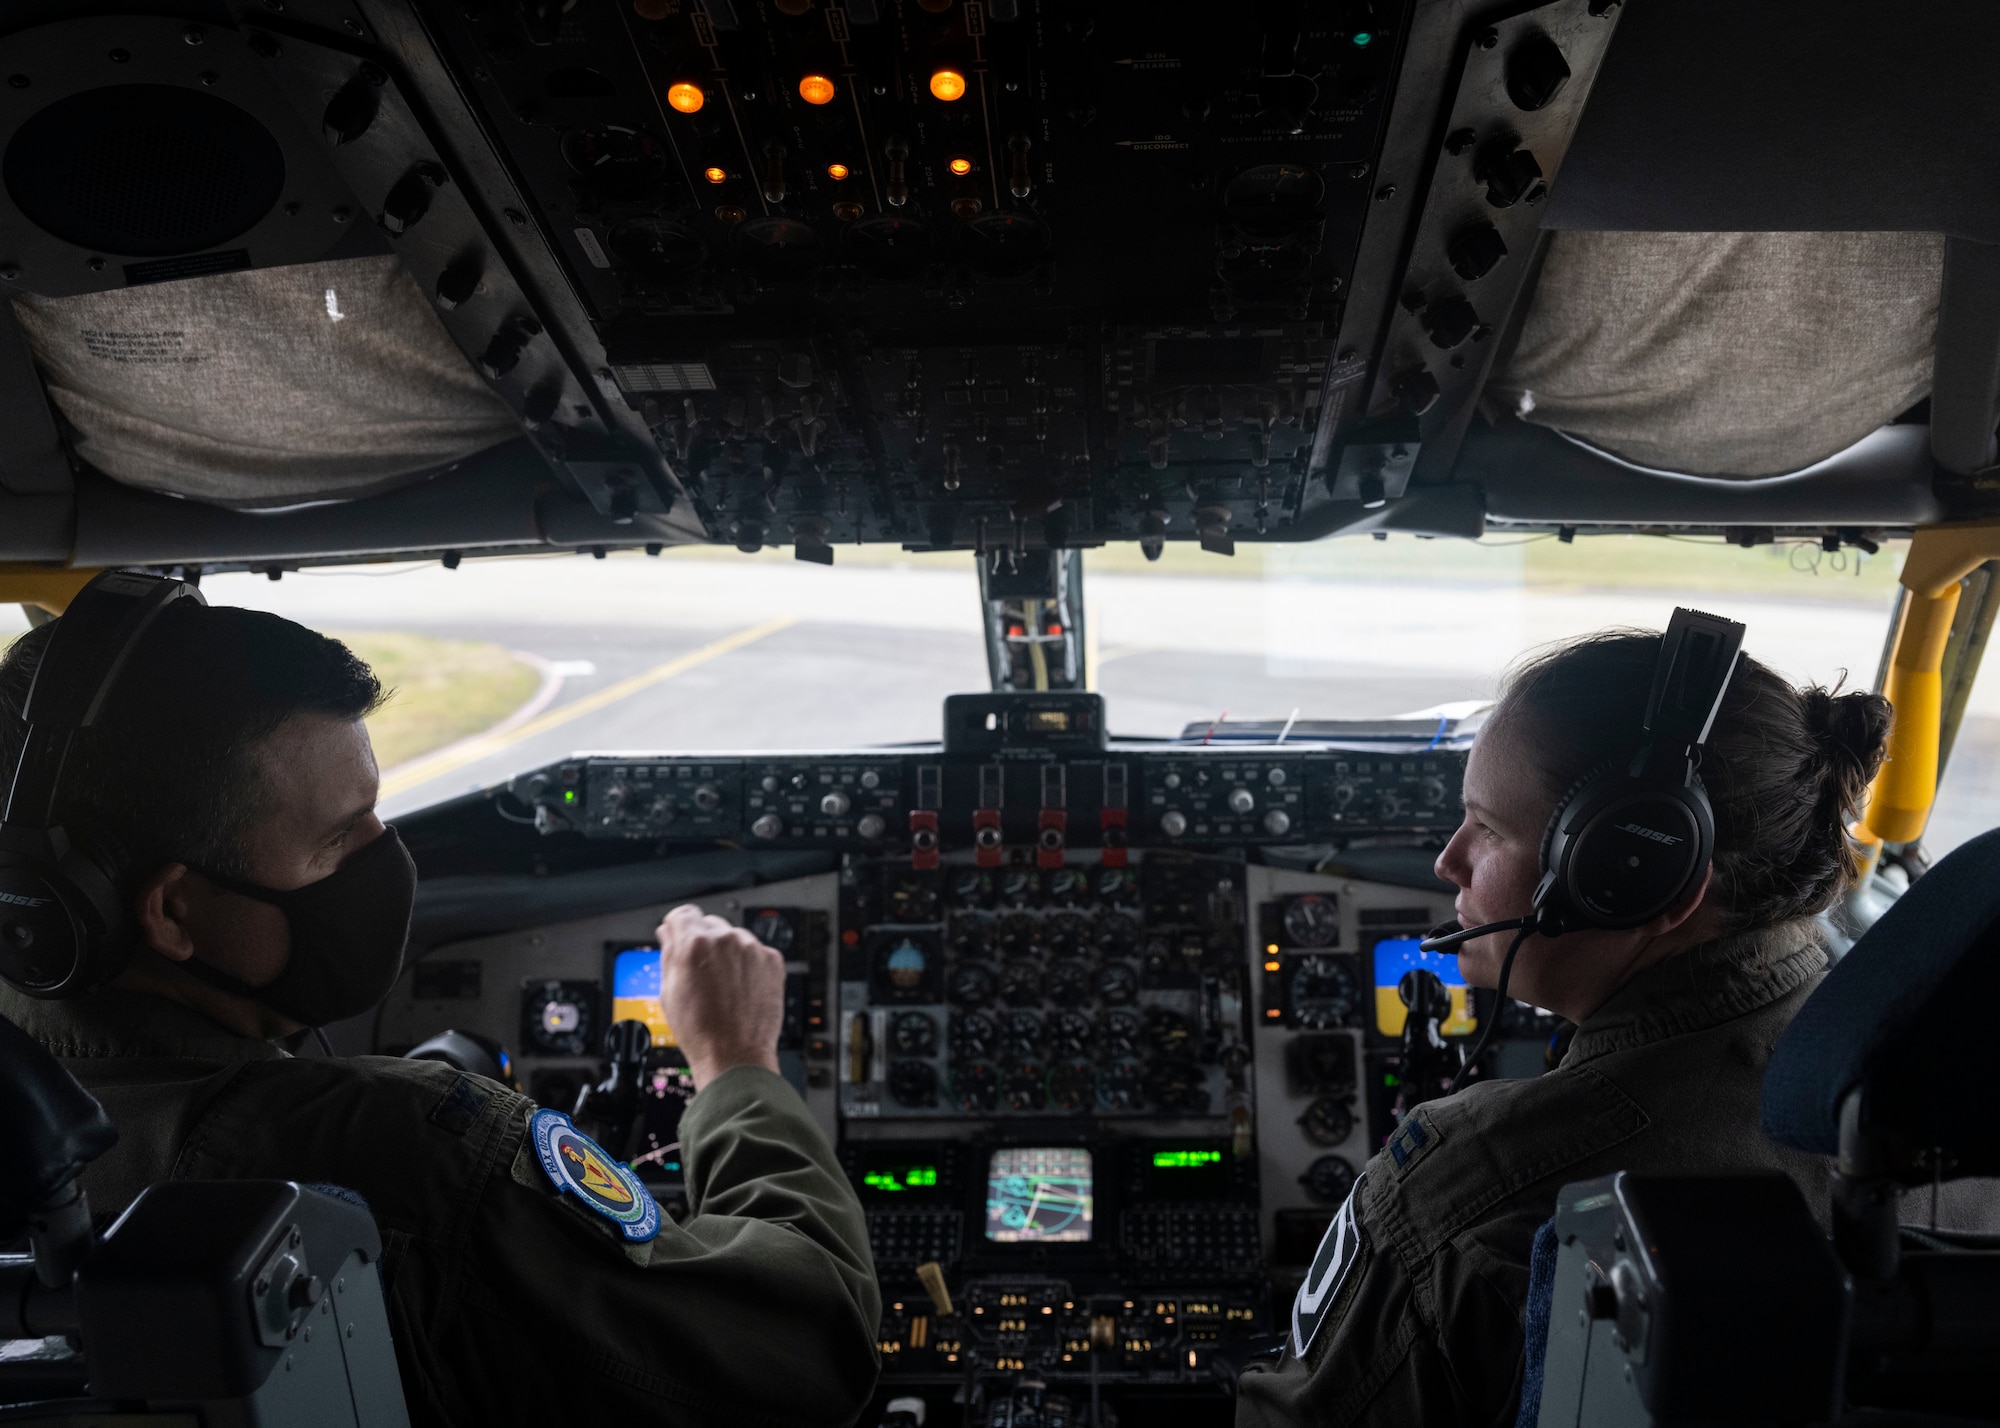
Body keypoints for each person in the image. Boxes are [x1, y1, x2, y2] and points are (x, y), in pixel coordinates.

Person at [0, 596, 881, 1426]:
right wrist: (737, 1064)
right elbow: (811, 1349)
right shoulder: (405, 1153)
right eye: (341, 838)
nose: (390, 861)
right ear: (172, 911)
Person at [1236, 627, 1891, 1428]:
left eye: (1489, 828)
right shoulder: (1923, 1091)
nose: (1448, 859)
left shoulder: (1482, 1185)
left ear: (1636, 873)